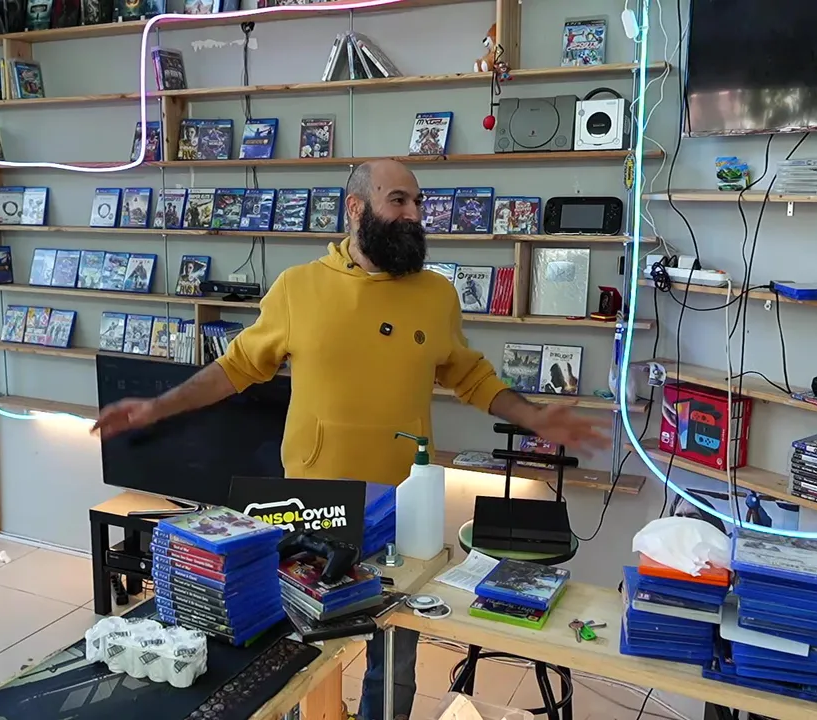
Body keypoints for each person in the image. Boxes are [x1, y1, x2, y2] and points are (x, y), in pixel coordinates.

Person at [93, 159, 609, 720]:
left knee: (395, 651)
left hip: (402, 506)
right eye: (398, 201)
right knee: (300, 650)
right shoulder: (299, 288)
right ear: (357, 209)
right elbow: (235, 368)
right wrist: (158, 407)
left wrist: (533, 416)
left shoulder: (436, 295)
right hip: (309, 505)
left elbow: (471, 376)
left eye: (418, 202)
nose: (414, 214)